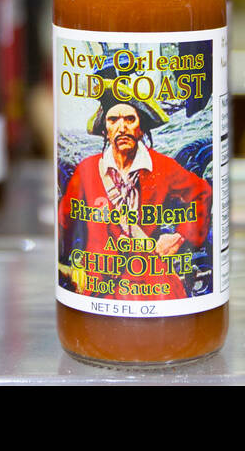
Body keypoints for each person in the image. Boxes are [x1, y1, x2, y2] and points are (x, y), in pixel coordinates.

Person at [57, 86, 213, 299]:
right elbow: (65, 222)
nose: (121, 128)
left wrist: (178, 237)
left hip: (151, 281)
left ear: (141, 128)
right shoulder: (87, 170)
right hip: (97, 285)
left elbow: (202, 193)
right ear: (105, 130)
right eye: (113, 120)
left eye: (130, 119)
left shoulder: (162, 167)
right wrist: (68, 265)